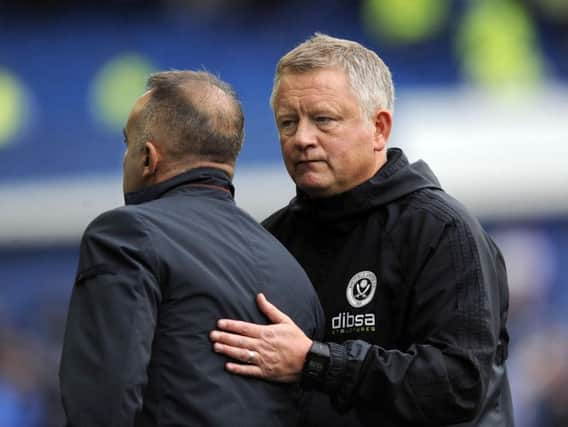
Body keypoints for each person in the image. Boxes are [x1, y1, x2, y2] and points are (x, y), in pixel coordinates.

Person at [210, 34, 514, 426]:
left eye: (323, 120)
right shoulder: (269, 242)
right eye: (288, 123)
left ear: (379, 129)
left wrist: (315, 362)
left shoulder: (443, 231)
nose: (302, 138)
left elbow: (458, 385)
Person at [59, 70, 325, 427]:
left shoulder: (126, 235)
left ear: (149, 158)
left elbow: (102, 402)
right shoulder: (292, 270)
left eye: (128, 144)